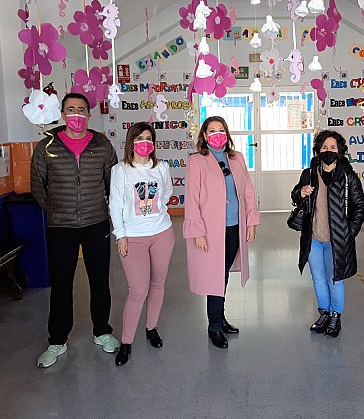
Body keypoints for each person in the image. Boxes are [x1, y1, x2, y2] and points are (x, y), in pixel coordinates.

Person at [31, 92, 120, 368]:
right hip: (61, 226)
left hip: (95, 222)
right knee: (61, 284)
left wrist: (103, 211)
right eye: (71, 109)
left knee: (99, 281)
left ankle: (102, 331)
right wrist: (56, 210)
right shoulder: (46, 146)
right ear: (62, 113)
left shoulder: (102, 145)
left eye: (81, 110)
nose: (77, 115)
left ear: (89, 115)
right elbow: (38, 186)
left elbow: (112, 183)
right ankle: (57, 340)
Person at [183, 116, 260, 349]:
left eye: (221, 130)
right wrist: (197, 232)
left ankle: (221, 318)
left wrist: (251, 222)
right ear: (205, 136)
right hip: (209, 231)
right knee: (213, 277)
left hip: (234, 228)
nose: (217, 134)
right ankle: (214, 326)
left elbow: (247, 190)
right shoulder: (197, 161)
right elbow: (192, 199)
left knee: (223, 274)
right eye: (212, 131)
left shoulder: (236, 159)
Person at [109, 122, 176, 366]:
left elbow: (166, 194)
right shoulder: (120, 170)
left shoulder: (162, 168)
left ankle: (151, 328)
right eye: (139, 138)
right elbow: (115, 204)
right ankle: (126, 342)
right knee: (138, 291)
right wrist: (121, 235)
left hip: (162, 233)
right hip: (133, 238)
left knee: (158, 283)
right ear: (131, 142)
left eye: (149, 138)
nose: (144, 143)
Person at [291, 130, 364, 338]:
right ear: (317, 151)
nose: (328, 151)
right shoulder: (309, 174)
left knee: (335, 279)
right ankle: (324, 312)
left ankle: (335, 316)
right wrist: (301, 193)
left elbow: (360, 208)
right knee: (318, 278)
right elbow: (295, 196)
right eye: (324, 147)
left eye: (333, 147)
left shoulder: (348, 177)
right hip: (314, 239)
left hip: (337, 241)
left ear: (340, 151)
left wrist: (348, 233)